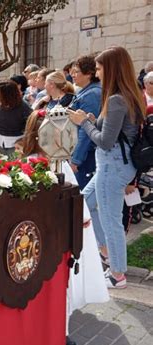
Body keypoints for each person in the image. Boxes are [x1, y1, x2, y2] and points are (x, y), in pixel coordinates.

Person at [22, 110, 109, 345]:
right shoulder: (30, 164)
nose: (58, 140)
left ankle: (63, 330)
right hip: (45, 237)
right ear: (38, 136)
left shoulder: (62, 164)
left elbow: (75, 196)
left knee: (65, 288)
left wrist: (81, 220)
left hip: (66, 239)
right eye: (51, 135)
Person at [69, 46, 146, 289]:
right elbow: (115, 132)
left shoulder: (115, 99)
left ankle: (117, 274)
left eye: (100, 68)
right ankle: (106, 254)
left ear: (111, 69)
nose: (97, 72)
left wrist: (84, 123)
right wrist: (92, 120)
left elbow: (104, 140)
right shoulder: (128, 95)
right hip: (117, 165)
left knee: (111, 219)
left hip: (111, 166)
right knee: (86, 202)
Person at [69, 55, 102, 189]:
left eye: (76, 71)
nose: (72, 75)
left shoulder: (92, 94)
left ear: (89, 74)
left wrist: (76, 160)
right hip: (83, 153)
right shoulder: (86, 91)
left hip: (86, 156)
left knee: (84, 200)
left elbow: (85, 129)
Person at [0, 80, 32, 156]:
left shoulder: (23, 107)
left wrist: (22, 142)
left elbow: (32, 126)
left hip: (17, 147)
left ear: (6, 95)